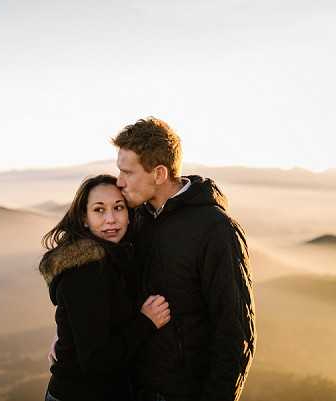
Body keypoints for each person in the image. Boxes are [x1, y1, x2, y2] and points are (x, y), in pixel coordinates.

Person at [113, 117, 256, 401]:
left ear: (159, 173)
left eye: (127, 172)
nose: (119, 182)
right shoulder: (134, 220)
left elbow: (234, 332)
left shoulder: (214, 229)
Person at [39, 174, 171, 401]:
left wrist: (66, 335)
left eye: (118, 208)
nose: (111, 219)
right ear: (84, 218)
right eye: (99, 210)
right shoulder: (86, 271)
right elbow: (96, 362)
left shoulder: (118, 257)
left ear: (130, 215)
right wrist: (146, 322)